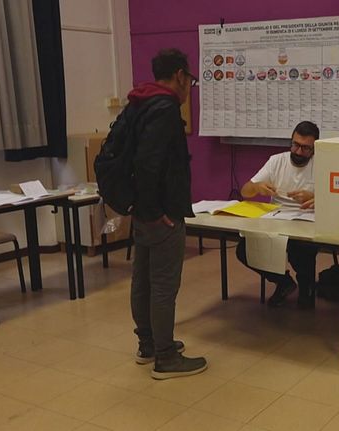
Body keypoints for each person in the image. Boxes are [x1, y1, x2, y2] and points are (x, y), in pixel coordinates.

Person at [128, 48, 208, 380]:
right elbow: (149, 164)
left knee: (142, 279)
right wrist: (156, 211)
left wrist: (141, 208)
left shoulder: (139, 103)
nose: (189, 85)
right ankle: (165, 358)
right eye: (190, 78)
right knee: (163, 284)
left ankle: (148, 344)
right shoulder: (165, 110)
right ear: (179, 75)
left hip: (141, 210)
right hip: (161, 213)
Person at [236, 121, 320, 309]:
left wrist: (317, 198)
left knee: (301, 250)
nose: (298, 152)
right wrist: (258, 187)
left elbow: (338, 199)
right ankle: (283, 282)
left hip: (307, 220)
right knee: (244, 250)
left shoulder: (322, 164)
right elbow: (245, 191)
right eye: (295, 145)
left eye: (305, 148)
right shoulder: (276, 161)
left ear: (314, 149)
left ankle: (306, 287)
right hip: (277, 219)